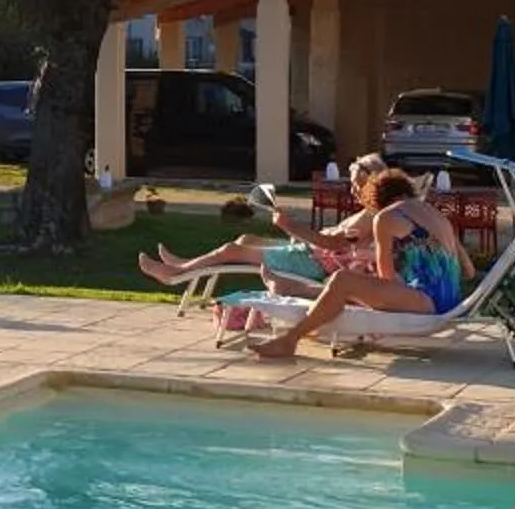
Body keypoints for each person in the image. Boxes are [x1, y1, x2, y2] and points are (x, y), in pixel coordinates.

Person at [241, 171, 472, 360]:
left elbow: (387, 278)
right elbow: (468, 271)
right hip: (448, 300)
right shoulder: (438, 216)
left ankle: (289, 340)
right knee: (346, 287)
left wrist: (364, 268)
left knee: (344, 280)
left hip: (427, 302)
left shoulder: (386, 217)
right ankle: (295, 293)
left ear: (379, 201)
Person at [140, 153, 396, 293]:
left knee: (232, 249)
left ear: (370, 182)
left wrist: (289, 226)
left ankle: (177, 272)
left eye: (355, 183)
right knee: (246, 240)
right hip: (312, 254)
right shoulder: (370, 212)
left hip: (313, 263)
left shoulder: (370, 217)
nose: (350, 187)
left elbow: (331, 243)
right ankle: (184, 264)